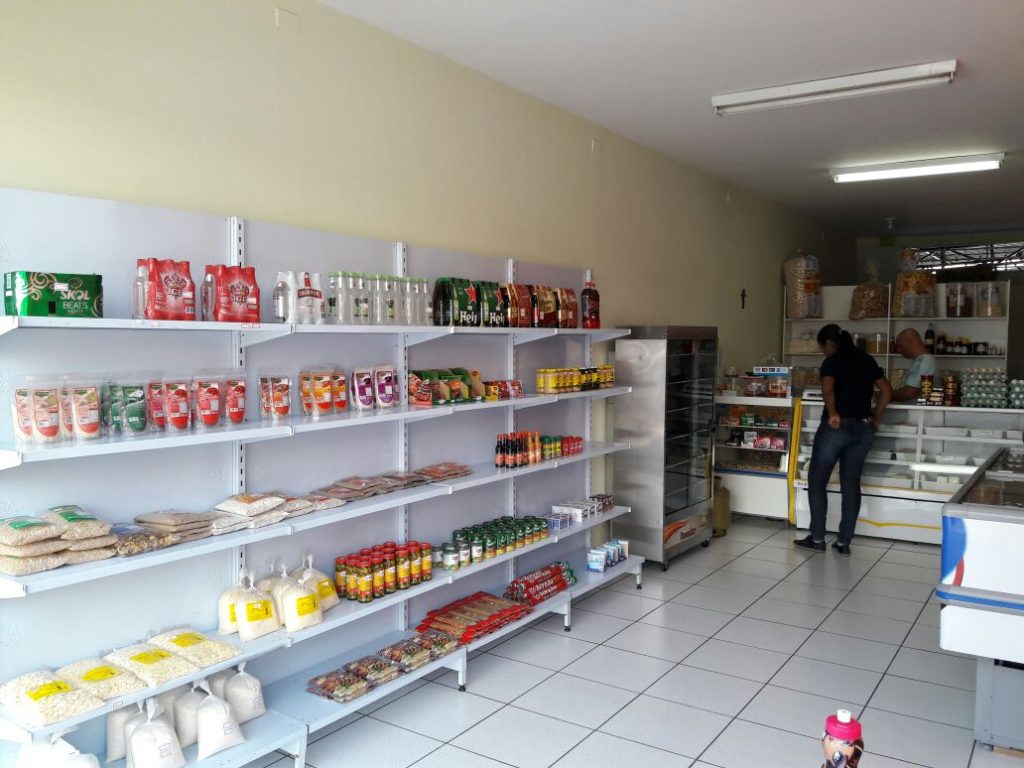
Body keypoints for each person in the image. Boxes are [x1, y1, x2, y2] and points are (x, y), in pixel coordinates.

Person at [795, 324, 892, 555]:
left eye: (823, 348)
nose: (824, 352)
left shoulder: (832, 361)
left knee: (817, 481)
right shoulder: (866, 359)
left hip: (836, 428)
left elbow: (828, 390)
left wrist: (833, 413)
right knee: (851, 483)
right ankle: (843, 542)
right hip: (863, 428)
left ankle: (817, 538)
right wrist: (876, 417)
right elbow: (887, 390)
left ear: (829, 344)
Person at [891, 328, 937, 402]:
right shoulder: (922, 360)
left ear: (910, 342)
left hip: (917, 409)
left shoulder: (924, 362)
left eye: (900, 346)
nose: (898, 350)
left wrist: (885, 394)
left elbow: (907, 394)